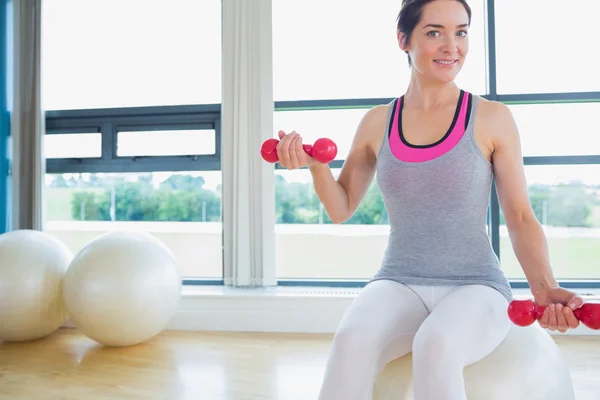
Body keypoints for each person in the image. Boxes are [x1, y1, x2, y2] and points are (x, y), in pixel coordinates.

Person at [275, 0, 584, 399]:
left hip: (476, 285)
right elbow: (341, 206)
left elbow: (521, 216)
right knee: (351, 340)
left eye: (461, 32)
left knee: (435, 345)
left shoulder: (491, 117)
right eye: (435, 32)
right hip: (398, 278)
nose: (451, 46)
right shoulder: (377, 122)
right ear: (403, 39)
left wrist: (544, 288)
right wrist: (315, 166)